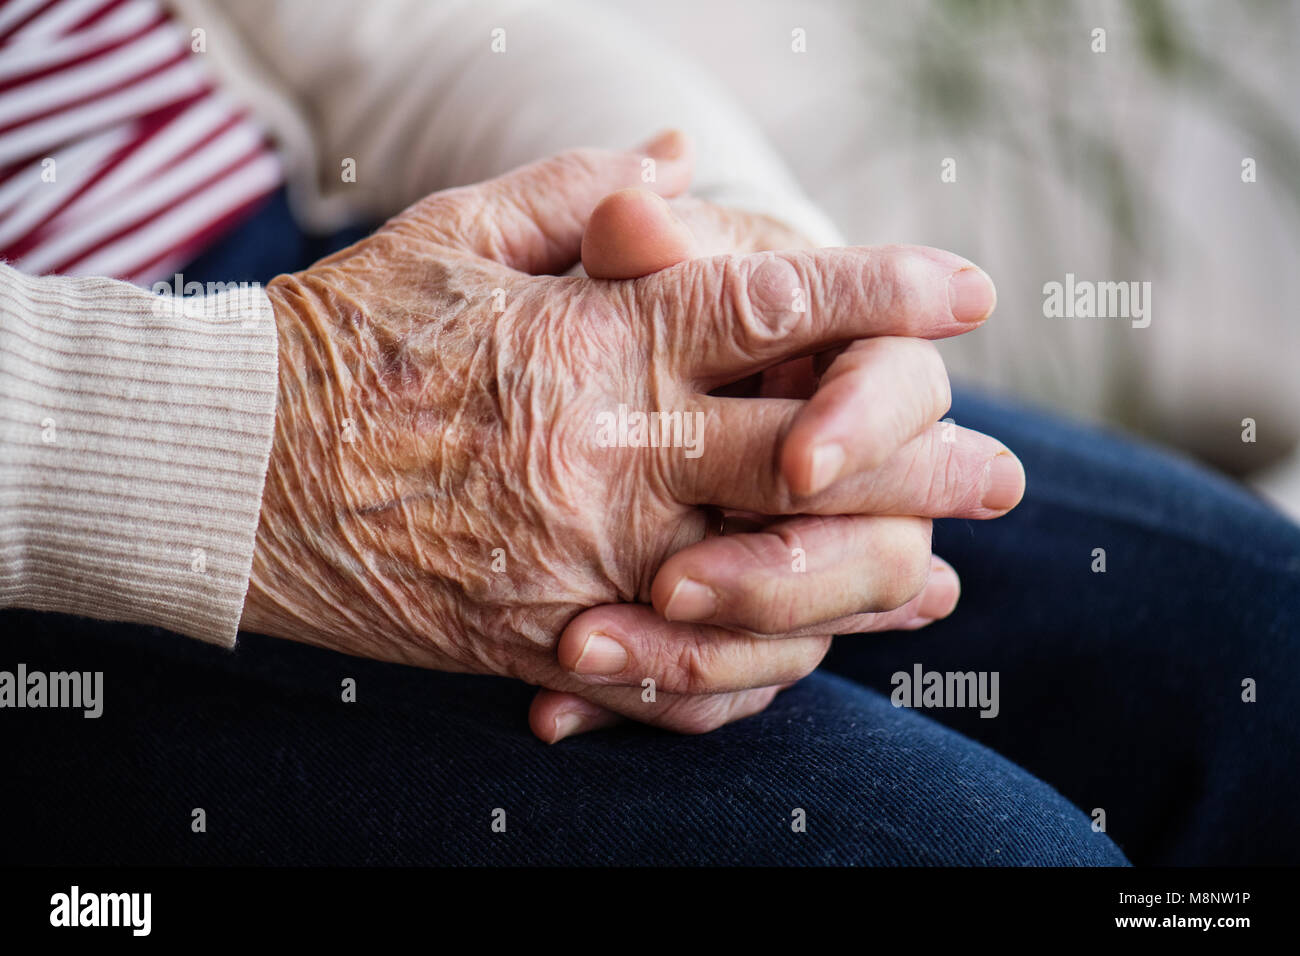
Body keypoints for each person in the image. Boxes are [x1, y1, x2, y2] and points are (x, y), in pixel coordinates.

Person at [2, 0, 1298, 866]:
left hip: (340, 280)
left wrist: (749, 273)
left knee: (1263, 647)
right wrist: (258, 445)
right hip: (80, 472)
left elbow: (389, 32)